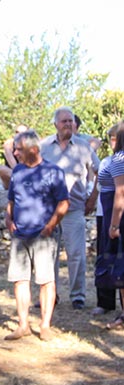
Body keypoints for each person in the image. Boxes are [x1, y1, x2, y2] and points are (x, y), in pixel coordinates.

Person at [4, 130, 69, 341]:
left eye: (19, 149)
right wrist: (8, 219)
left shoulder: (53, 172)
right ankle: (22, 325)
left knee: (46, 280)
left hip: (44, 236)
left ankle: (45, 326)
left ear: (33, 149)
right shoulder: (18, 172)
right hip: (20, 235)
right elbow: (11, 200)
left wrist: (50, 226)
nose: (15, 153)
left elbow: (63, 203)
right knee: (20, 280)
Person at [41, 106, 100, 309]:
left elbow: (99, 171)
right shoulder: (44, 146)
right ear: (55, 124)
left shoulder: (83, 147)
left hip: (75, 208)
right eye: (64, 121)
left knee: (76, 254)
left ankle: (78, 297)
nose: (68, 124)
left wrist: (92, 197)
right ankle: (50, 295)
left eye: (70, 121)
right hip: (49, 210)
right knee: (48, 255)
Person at [92, 121, 124, 330]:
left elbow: (120, 193)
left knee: (121, 268)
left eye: (114, 137)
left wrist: (113, 225)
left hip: (118, 218)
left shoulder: (120, 158)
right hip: (111, 213)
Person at [86, 124, 119, 315]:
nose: (113, 142)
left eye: (116, 138)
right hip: (103, 215)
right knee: (105, 257)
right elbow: (97, 187)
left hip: (118, 217)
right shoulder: (106, 162)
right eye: (111, 139)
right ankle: (105, 302)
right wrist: (90, 202)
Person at [0, 124, 29, 190]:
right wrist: (8, 151)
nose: (19, 135)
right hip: (13, 179)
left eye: (22, 133)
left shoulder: (31, 146)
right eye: (17, 132)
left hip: (26, 175)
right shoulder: (10, 145)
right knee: (2, 169)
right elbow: (15, 168)